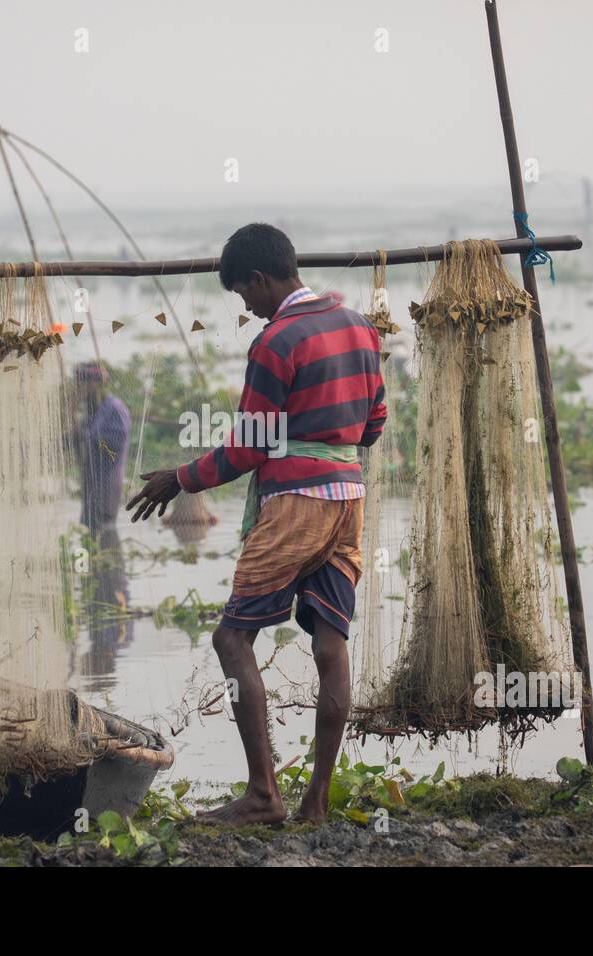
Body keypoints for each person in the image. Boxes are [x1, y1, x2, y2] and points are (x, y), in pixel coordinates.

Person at [126, 223, 386, 825]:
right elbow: (374, 425)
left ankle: (264, 796)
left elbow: (248, 448)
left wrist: (180, 479)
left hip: (297, 502)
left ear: (262, 280)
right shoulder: (359, 328)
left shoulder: (278, 341)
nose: (247, 307)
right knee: (330, 644)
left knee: (231, 638)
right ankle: (316, 801)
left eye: (245, 295)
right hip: (349, 498)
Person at [74, 362, 131, 533]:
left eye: (83, 383)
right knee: (87, 537)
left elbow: (114, 446)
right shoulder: (94, 410)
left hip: (106, 491)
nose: (79, 388)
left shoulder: (114, 408)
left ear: (95, 383)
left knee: (104, 543)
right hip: (91, 491)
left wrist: (86, 435)